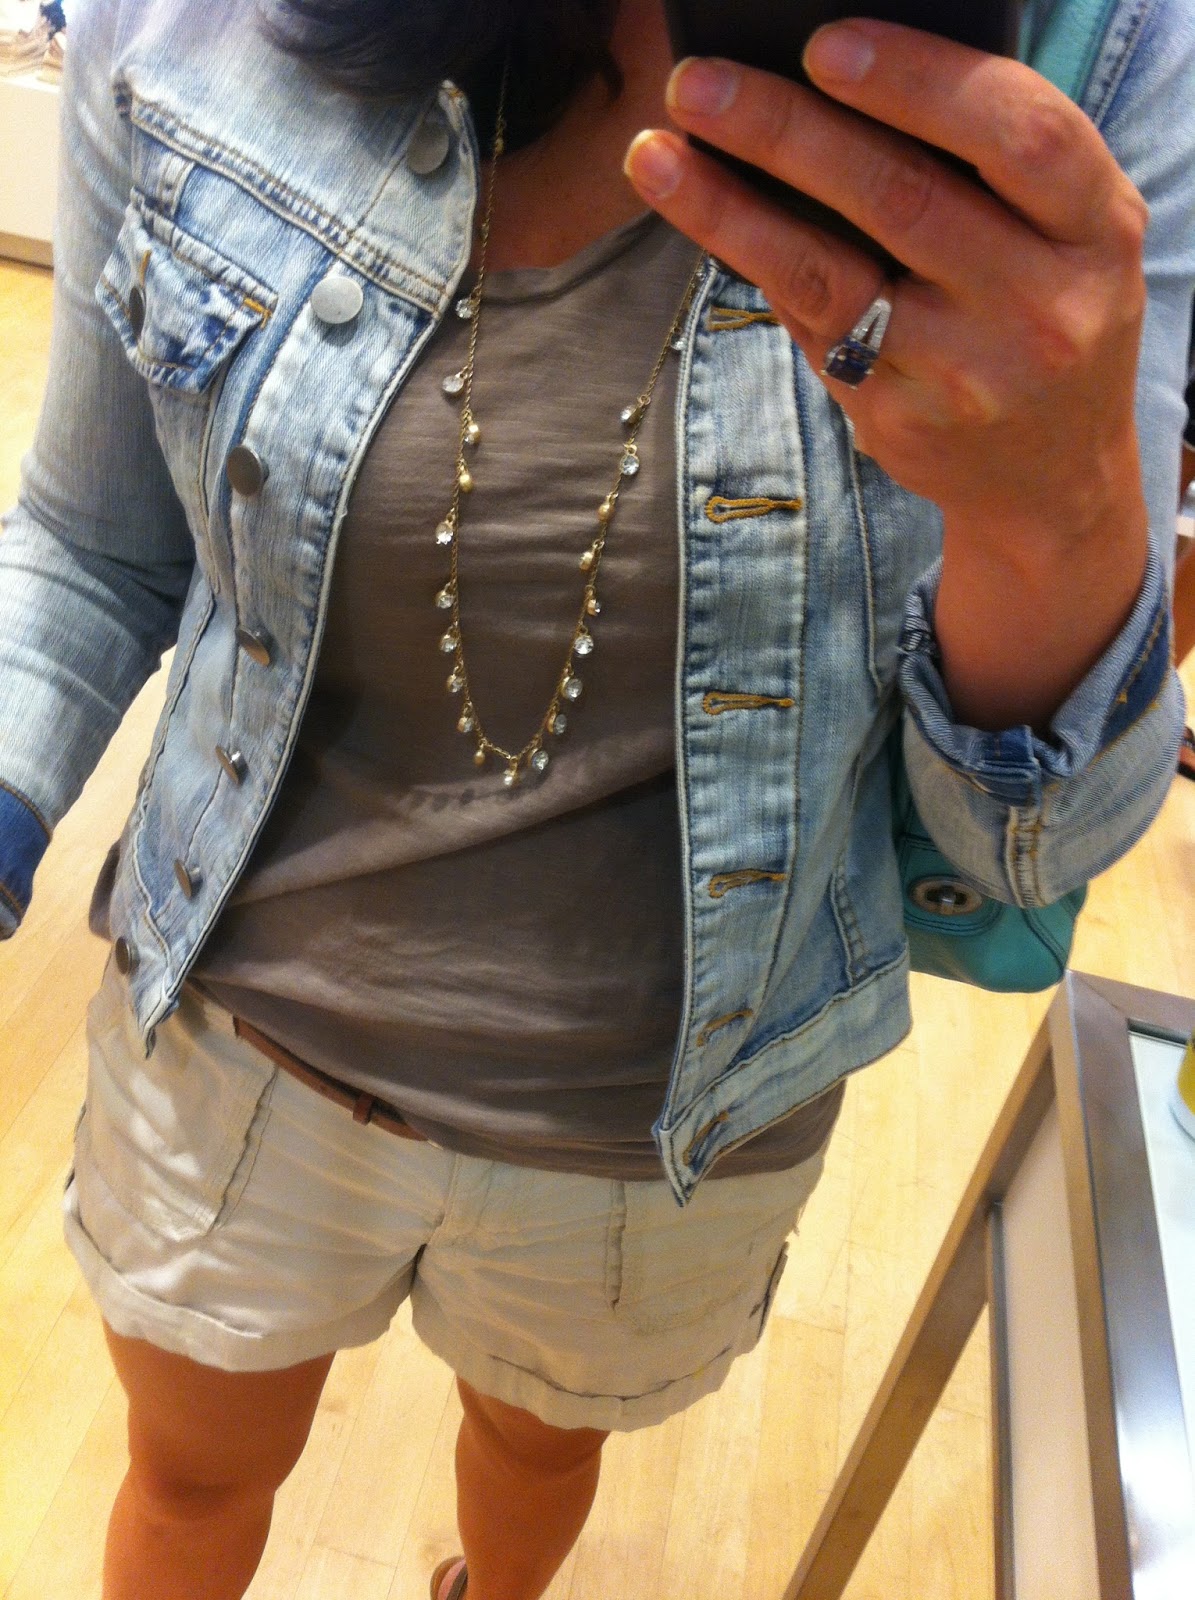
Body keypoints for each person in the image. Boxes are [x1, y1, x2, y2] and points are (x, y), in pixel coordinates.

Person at [0, 2, 1192, 1597]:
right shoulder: (198, 25)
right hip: (236, 1047)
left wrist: (1059, 518)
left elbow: (1018, 853)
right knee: (190, 1475)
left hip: (667, 1128)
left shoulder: (1099, 65)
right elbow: (89, 542)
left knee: (539, 1454)